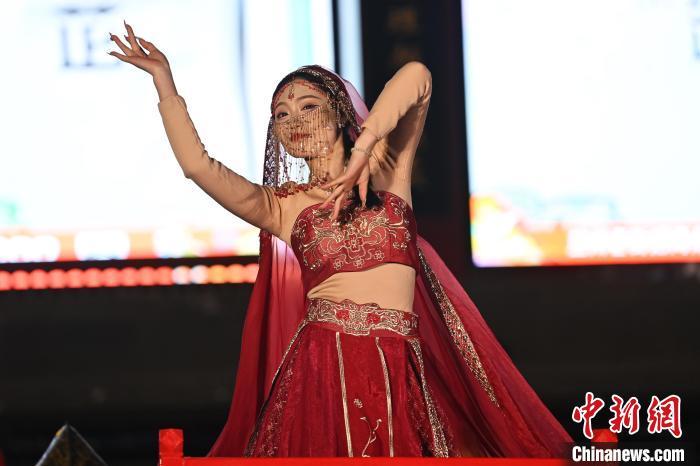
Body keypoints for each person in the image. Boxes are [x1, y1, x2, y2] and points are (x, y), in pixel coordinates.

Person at [109, 21, 574, 458]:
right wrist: (164, 82)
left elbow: (418, 75)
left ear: (338, 111)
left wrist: (366, 147)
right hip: (322, 368)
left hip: (400, 367)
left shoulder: (388, 172)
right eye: (281, 114)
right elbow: (198, 166)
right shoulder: (283, 207)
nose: (293, 120)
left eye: (308, 106)